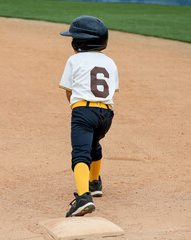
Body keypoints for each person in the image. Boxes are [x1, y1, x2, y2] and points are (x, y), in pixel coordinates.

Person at [59, 16, 119, 217]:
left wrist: (77, 110)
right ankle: (95, 182)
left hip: (83, 112)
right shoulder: (110, 62)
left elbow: (69, 91)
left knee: (80, 153)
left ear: (79, 42)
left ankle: (84, 197)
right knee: (94, 145)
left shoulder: (74, 59)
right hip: (106, 114)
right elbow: (111, 90)